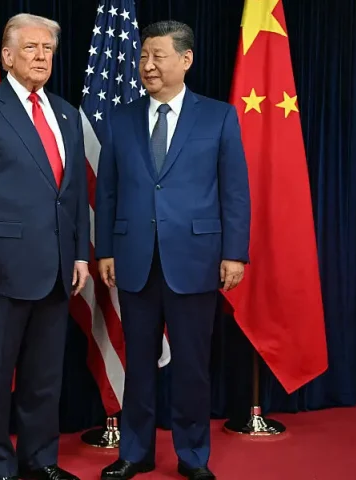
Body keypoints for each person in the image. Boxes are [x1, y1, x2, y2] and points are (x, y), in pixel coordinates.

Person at [95, 21, 251, 480]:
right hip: (134, 259)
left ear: (186, 60)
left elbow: (235, 192)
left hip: (197, 260)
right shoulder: (121, 118)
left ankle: (193, 456)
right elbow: (107, 192)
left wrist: (235, 253)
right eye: (144, 56)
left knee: (191, 367)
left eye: (158, 56)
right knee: (138, 364)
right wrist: (105, 248)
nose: (148, 65)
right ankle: (135, 453)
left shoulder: (218, 117)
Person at [0, 13, 90, 480]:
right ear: (6, 56)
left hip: (57, 269)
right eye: (30, 48)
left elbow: (74, 194)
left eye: (48, 48)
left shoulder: (66, 113)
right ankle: (0, 467)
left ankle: (40, 460)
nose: (41, 56)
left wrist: (81, 253)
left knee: (45, 378)